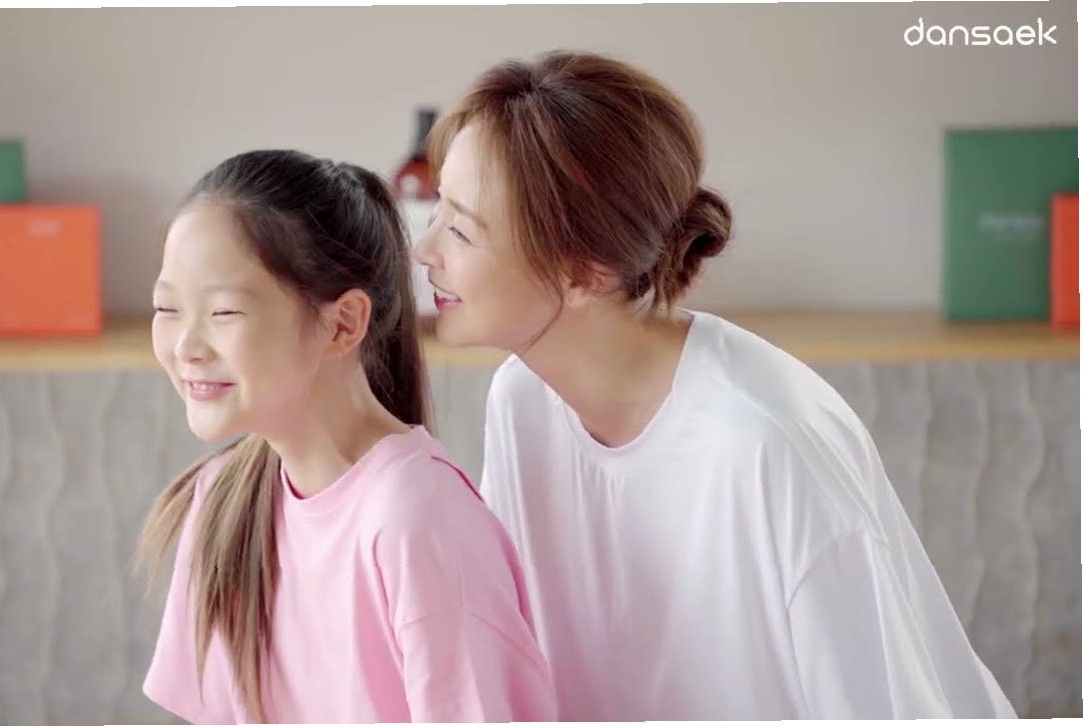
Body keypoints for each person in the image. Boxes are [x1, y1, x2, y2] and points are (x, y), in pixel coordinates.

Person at [412, 49, 1017, 720]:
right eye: (437, 211)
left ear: (584, 270)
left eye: (460, 229)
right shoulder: (523, 399)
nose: (424, 250)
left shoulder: (763, 444)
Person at [137, 149, 556, 724]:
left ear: (343, 323)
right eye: (167, 308)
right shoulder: (221, 504)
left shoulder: (416, 517)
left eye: (224, 312)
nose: (186, 346)